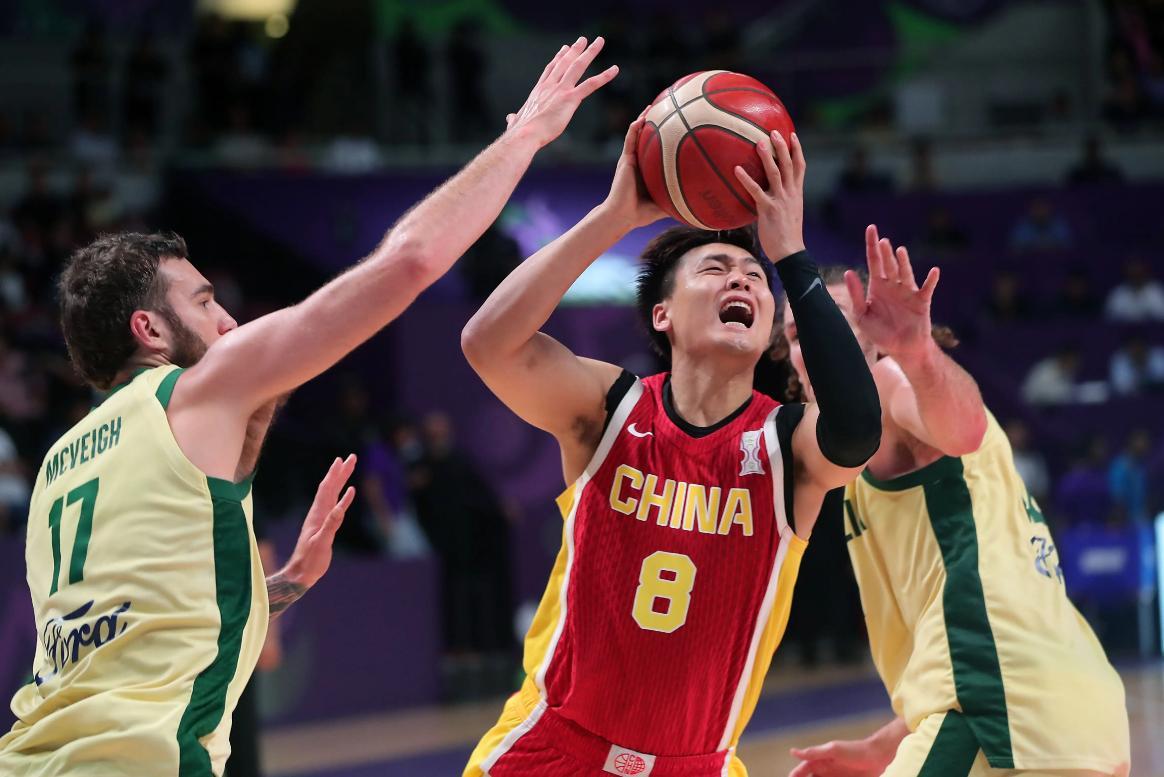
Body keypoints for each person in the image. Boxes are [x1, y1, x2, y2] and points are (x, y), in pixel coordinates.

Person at [0, 37, 618, 777]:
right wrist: (524, 138)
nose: (228, 322)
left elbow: (128, 634)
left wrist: (285, 581)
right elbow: (409, 263)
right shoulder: (194, 389)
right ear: (150, 330)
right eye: (205, 302)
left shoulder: (57, 467)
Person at [461, 119, 881, 775]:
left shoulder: (786, 444)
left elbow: (855, 432)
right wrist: (613, 218)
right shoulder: (609, 409)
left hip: (699, 764)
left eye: (755, 276)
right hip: (553, 751)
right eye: (715, 269)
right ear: (663, 314)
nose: (741, 280)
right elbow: (489, 344)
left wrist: (791, 255)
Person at [787, 227, 1129, 777]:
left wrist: (916, 351)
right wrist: (885, 745)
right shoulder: (851, 455)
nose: (811, 342)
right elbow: (958, 632)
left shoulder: (889, 384)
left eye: (830, 323)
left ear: (875, 336)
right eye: (796, 332)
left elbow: (963, 432)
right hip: (1054, 710)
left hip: (1000, 708)